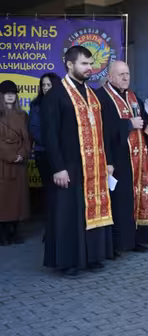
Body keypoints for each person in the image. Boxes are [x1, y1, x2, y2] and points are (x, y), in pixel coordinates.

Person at [43, 46, 114, 276]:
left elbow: (102, 131)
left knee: (91, 209)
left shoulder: (92, 94)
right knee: (69, 214)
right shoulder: (56, 94)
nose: (89, 68)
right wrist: (58, 168)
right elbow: (50, 135)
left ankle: (91, 256)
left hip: (94, 165)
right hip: (69, 165)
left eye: (90, 64)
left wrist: (108, 161)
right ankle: (69, 261)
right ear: (69, 64)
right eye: (84, 63)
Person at [96, 61, 148, 255]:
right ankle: (115, 244)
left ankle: (134, 240)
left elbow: (143, 121)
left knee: (135, 198)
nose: (125, 78)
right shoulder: (101, 97)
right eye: (121, 74)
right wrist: (128, 124)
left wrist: (147, 129)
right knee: (119, 202)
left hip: (138, 160)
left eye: (127, 74)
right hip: (118, 159)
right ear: (110, 76)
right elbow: (102, 129)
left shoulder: (133, 96)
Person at [0, 81, 31, 245]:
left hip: (19, 165)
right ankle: (3, 234)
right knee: (3, 200)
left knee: (18, 200)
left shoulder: (23, 115)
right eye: (7, 93)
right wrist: (12, 156)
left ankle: (14, 231)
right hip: (3, 165)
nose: (10, 95)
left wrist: (22, 154)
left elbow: (28, 139)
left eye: (13, 93)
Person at [29, 72, 61, 215]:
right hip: (44, 153)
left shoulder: (65, 103)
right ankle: (50, 225)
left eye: (49, 84)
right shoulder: (36, 105)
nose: (46, 87)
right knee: (49, 190)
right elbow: (35, 130)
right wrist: (52, 142)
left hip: (62, 154)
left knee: (62, 192)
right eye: (43, 85)